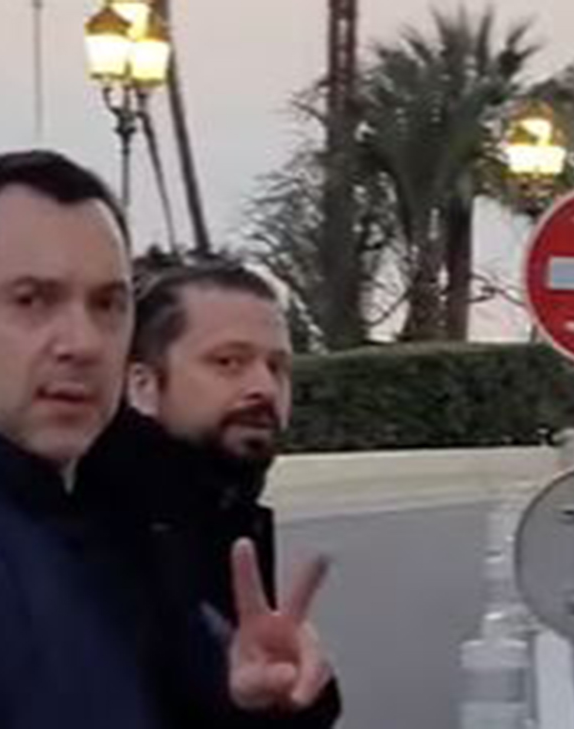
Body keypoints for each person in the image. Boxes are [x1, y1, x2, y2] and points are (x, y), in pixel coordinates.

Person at [0, 150, 333, 728]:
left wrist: (249, 703)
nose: (83, 343)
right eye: (32, 300)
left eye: (107, 305)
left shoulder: (101, 532)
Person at [79, 262, 342, 725]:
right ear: (142, 385)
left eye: (277, 367)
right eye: (228, 362)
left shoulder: (220, 511)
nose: (263, 387)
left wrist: (285, 696)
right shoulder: (97, 534)